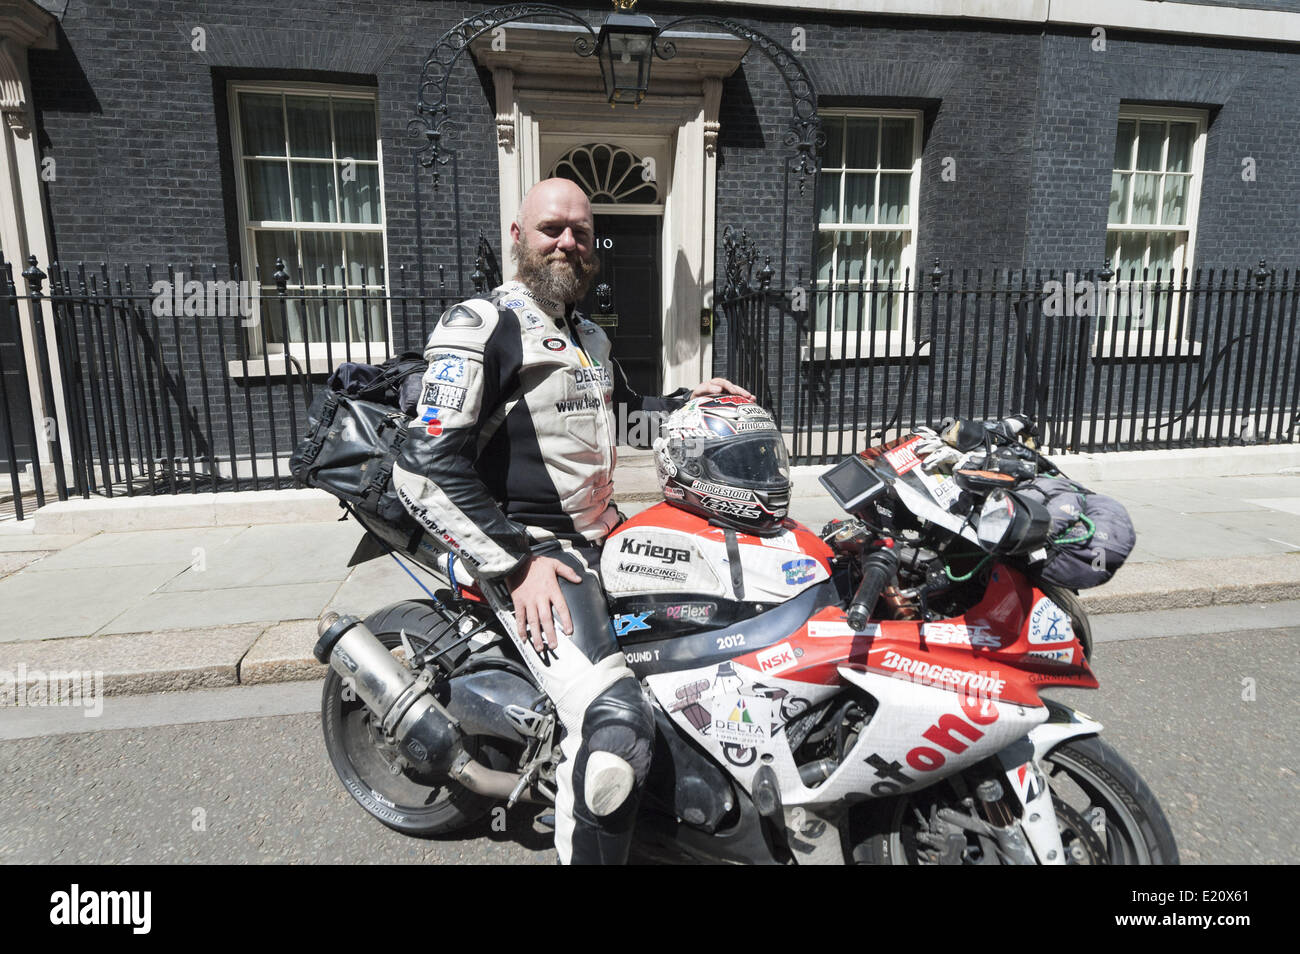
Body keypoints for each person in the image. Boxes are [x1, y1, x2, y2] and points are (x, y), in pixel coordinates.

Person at [391, 177, 751, 864]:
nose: (569, 241)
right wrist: (515, 563)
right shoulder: (483, 324)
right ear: (519, 238)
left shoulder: (587, 335)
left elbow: (620, 413)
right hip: (530, 548)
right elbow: (422, 459)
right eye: (553, 227)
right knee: (616, 722)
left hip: (603, 532)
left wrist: (688, 401)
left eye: (582, 232)